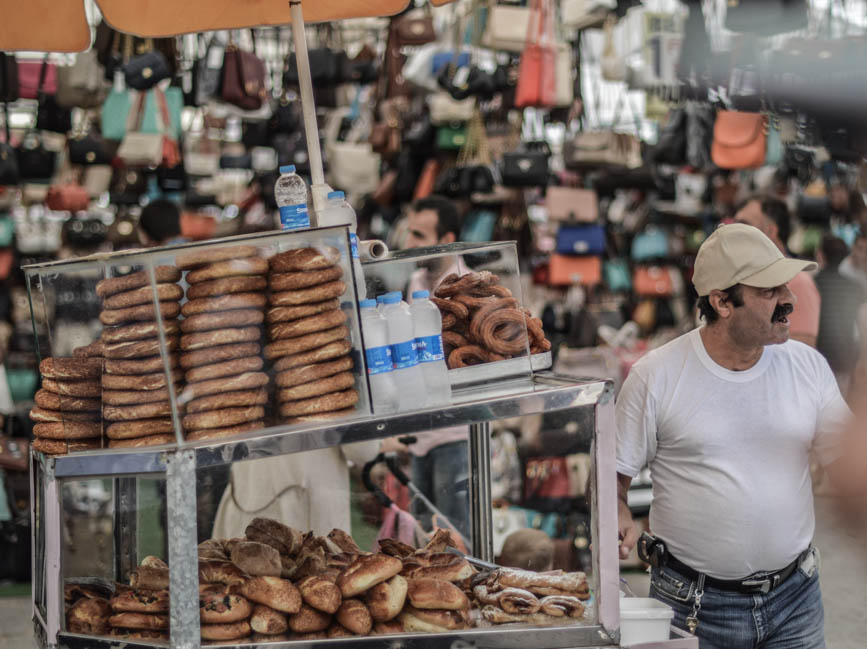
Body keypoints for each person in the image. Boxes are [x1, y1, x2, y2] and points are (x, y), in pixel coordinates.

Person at [616, 223, 851, 648]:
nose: (789, 301)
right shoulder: (657, 376)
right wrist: (617, 511)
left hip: (795, 598)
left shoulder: (806, 366)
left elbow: (849, 462)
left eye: (786, 287)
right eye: (769, 291)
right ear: (722, 301)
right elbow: (612, 475)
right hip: (692, 607)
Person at [381, 195, 471, 542]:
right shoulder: (416, 281)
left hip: (455, 434)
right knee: (420, 536)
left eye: (419, 235)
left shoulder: (468, 285)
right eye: (409, 233)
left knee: (455, 536)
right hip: (421, 432)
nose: (408, 244)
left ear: (446, 240)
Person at [735, 196, 821, 347]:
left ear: (771, 230)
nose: (734, 232)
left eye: (744, 225)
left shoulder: (799, 281)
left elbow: (802, 351)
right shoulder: (741, 274)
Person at [814, 235, 866, 392]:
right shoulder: (855, 288)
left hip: (819, 354)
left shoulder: (813, 283)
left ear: (821, 255)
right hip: (846, 357)